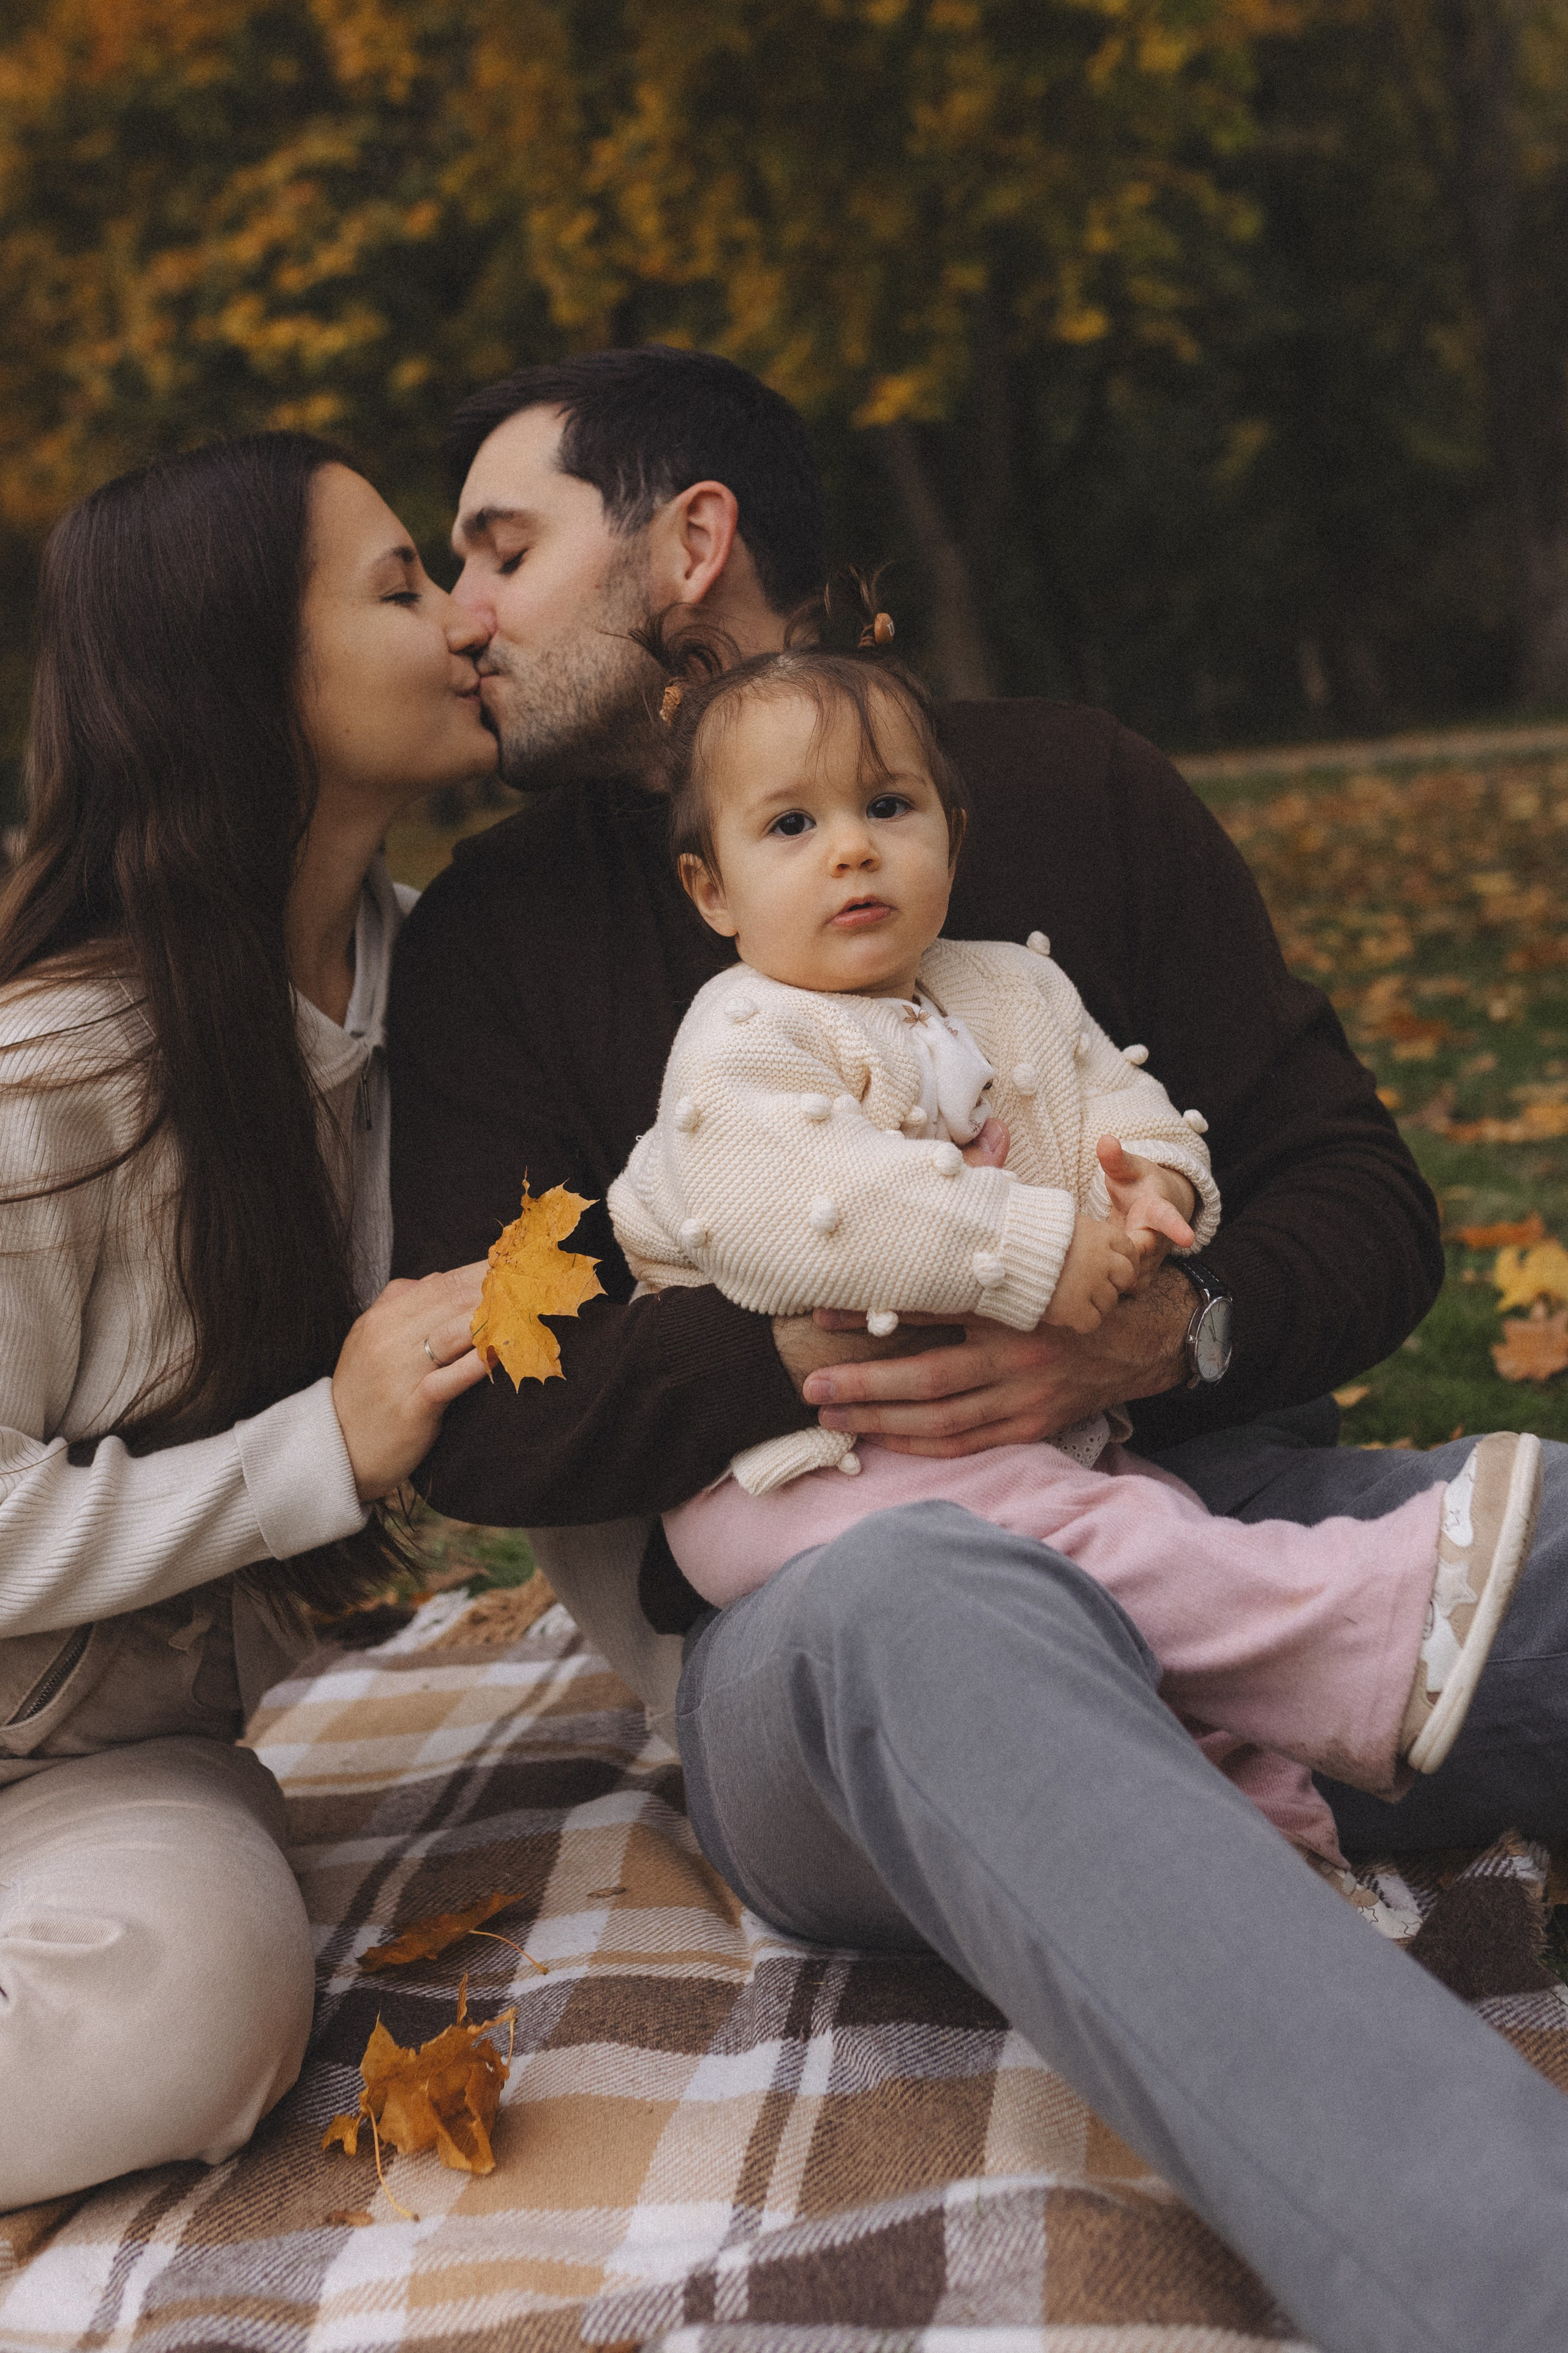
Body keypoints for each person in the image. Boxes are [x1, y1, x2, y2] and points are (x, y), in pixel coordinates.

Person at [390, 345, 1568, 2353]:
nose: (464, 614)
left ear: (689, 544)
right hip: (829, 1630)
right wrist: (845, 1338)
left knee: (1531, 1546)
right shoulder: (499, 936)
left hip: (1211, 1505)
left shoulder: (1076, 792)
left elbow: (1360, 1201)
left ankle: (1274, 1719)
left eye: (502, 551)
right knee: (933, 1610)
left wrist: (1161, 1331)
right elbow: (484, 1418)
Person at [605, 620, 1540, 1857]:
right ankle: (1373, 1633)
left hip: (1003, 1450)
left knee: (1143, 1546)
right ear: (712, 889)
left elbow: (1113, 1091)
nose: (851, 848)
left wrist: (1153, 1185)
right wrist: (1044, 1250)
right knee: (1117, 1547)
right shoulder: (742, 1035)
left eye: (888, 806)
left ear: (950, 833)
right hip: (796, 1476)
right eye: (790, 825)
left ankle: (1272, 1820)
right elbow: (820, 1210)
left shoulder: (1007, 986)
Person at [0, 434, 494, 2210]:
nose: (469, 619)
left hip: (104, 1772)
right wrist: (320, 1452)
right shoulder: (50, 1080)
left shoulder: (444, 992)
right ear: (249, 675)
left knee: (197, 2017)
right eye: (403, 587)